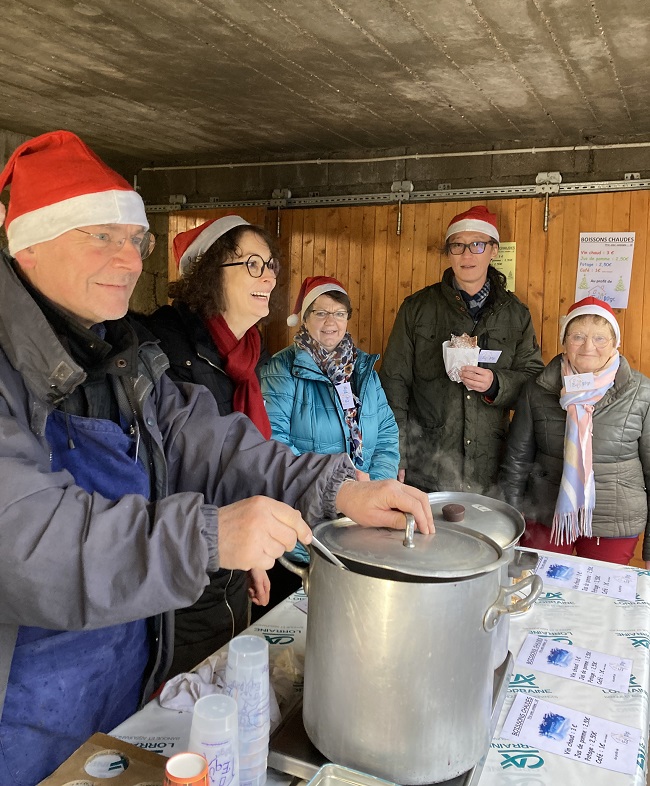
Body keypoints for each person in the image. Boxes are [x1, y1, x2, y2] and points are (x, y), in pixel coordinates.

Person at [0, 130, 434, 786]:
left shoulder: (121, 355)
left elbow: (217, 442)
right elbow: (31, 544)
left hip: (126, 672)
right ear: (28, 244)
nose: (126, 257)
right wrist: (207, 535)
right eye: (99, 236)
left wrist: (340, 489)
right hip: (21, 704)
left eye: (134, 239)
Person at [141, 216, 279, 673]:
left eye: (271, 265)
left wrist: (249, 561)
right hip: (181, 572)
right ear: (208, 272)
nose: (269, 277)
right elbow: (178, 468)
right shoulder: (164, 347)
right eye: (253, 264)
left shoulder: (243, 353)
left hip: (228, 565)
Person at [379, 205, 544, 494]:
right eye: (457, 245)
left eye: (477, 245)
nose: (467, 255)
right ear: (449, 253)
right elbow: (394, 383)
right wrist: (396, 455)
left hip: (489, 468)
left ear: (493, 250)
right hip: (426, 467)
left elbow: (534, 381)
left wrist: (497, 384)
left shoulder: (516, 314)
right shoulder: (417, 309)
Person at [499, 297, 650, 567]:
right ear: (564, 341)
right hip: (546, 513)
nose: (588, 347)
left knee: (600, 604)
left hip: (613, 522)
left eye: (600, 338)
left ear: (615, 343)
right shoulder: (538, 389)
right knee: (541, 593)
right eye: (578, 336)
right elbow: (517, 460)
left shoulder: (641, 393)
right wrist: (512, 521)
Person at [261, 275, 399, 481]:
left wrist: (375, 485)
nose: (331, 322)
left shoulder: (363, 367)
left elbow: (387, 434)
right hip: (309, 500)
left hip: (366, 500)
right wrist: (335, 490)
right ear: (305, 319)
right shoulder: (281, 368)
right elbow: (275, 440)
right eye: (321, 313)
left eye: (339, 313)